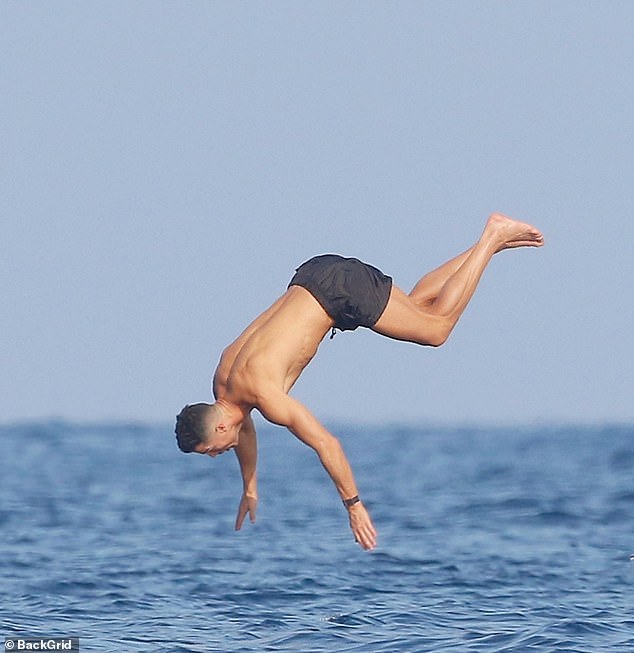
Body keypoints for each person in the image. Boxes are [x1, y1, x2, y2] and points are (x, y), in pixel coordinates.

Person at [175, 213, 544, 550]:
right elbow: (246, 431)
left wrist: (353, 506)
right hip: (315, 276)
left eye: (210, 449)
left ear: (219, 425)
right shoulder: (224, 381)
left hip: (339, 292)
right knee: (417, 307)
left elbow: (326, 444)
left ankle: (491, 237)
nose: (215, 454)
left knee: (436, 329)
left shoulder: (264, 394)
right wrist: (250, 486)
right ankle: (491, 243)